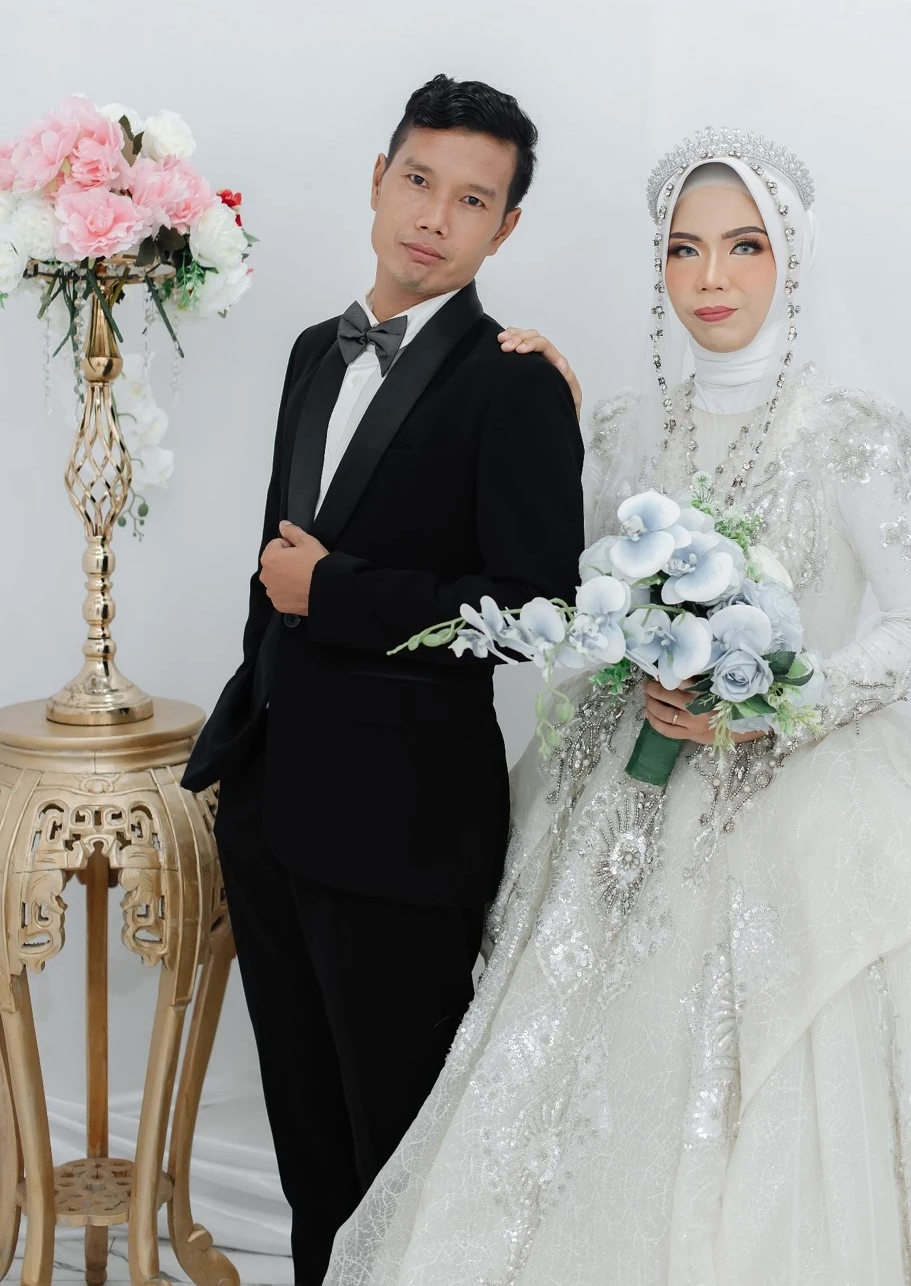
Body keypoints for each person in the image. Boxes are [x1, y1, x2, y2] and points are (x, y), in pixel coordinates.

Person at [324, 128, 911, 1285]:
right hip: (625, 790)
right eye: (684, 249)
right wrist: (550, 427)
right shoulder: (622, 430)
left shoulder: (846, 432)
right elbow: (577, 595)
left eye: (744, 246)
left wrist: (778, 704)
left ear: (791, 258)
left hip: (802, 793)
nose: (710, 277)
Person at [181, 74, 585, 1286]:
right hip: (273, 810)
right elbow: (275, 569)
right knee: (310, 1160)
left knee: (400, 1159)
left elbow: (539, 616)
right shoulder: (315, 352)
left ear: (505, 227)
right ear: (378, 179)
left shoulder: (513, 382)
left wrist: (340, 593)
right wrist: (240, 756)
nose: (433, 216)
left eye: (473, 199)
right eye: (418, 180)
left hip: (406, 830)